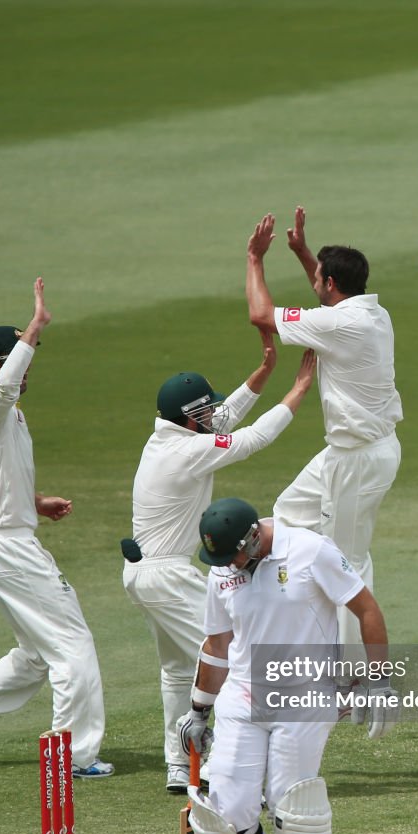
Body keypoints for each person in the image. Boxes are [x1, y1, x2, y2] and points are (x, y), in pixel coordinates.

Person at [176, 496, 397, 834]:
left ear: (253, 536)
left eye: (233, 555)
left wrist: (378, 681)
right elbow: (217, 642)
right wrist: (199, 710)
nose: (229, 566)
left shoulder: (310, 551)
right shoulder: (223, 568)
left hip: (306, 696)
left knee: (288, 807)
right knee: (225, 810)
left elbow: (367, 609)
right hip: (243, 695)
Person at [0, 278, 113, 778]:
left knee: (35, 653)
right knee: (73, 645)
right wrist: (35, 325)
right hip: (7, 547)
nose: (26, 367)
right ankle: (73, 755)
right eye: (15, 357)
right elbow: (7, 384)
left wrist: (35, 502)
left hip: (3, 538)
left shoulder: (5, 414)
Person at [122, 336, 316, 793]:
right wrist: (300, 387)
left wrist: (264, 372)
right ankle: (218, 766)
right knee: (227, 661)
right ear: (191, 417)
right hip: (167, 574)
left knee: (176, 670)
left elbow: (224, 418)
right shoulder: (186, 451)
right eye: (206, 409)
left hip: (142, 574)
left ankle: (179, 762)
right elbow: (252, 439)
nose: (214, 414)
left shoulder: (172, 435)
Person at [245, 209, 403, 647]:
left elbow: (261, 315)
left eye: (318, 277)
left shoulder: (339, 323)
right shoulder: (372, 313)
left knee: (346, 560)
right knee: (287, 515)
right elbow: (327, 298)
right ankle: (291, 612)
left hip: (359, 458)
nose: (315, 281)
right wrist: (300, 252)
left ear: (330, 285)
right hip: (349, 451)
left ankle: (355, 675)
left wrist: (256, 259)